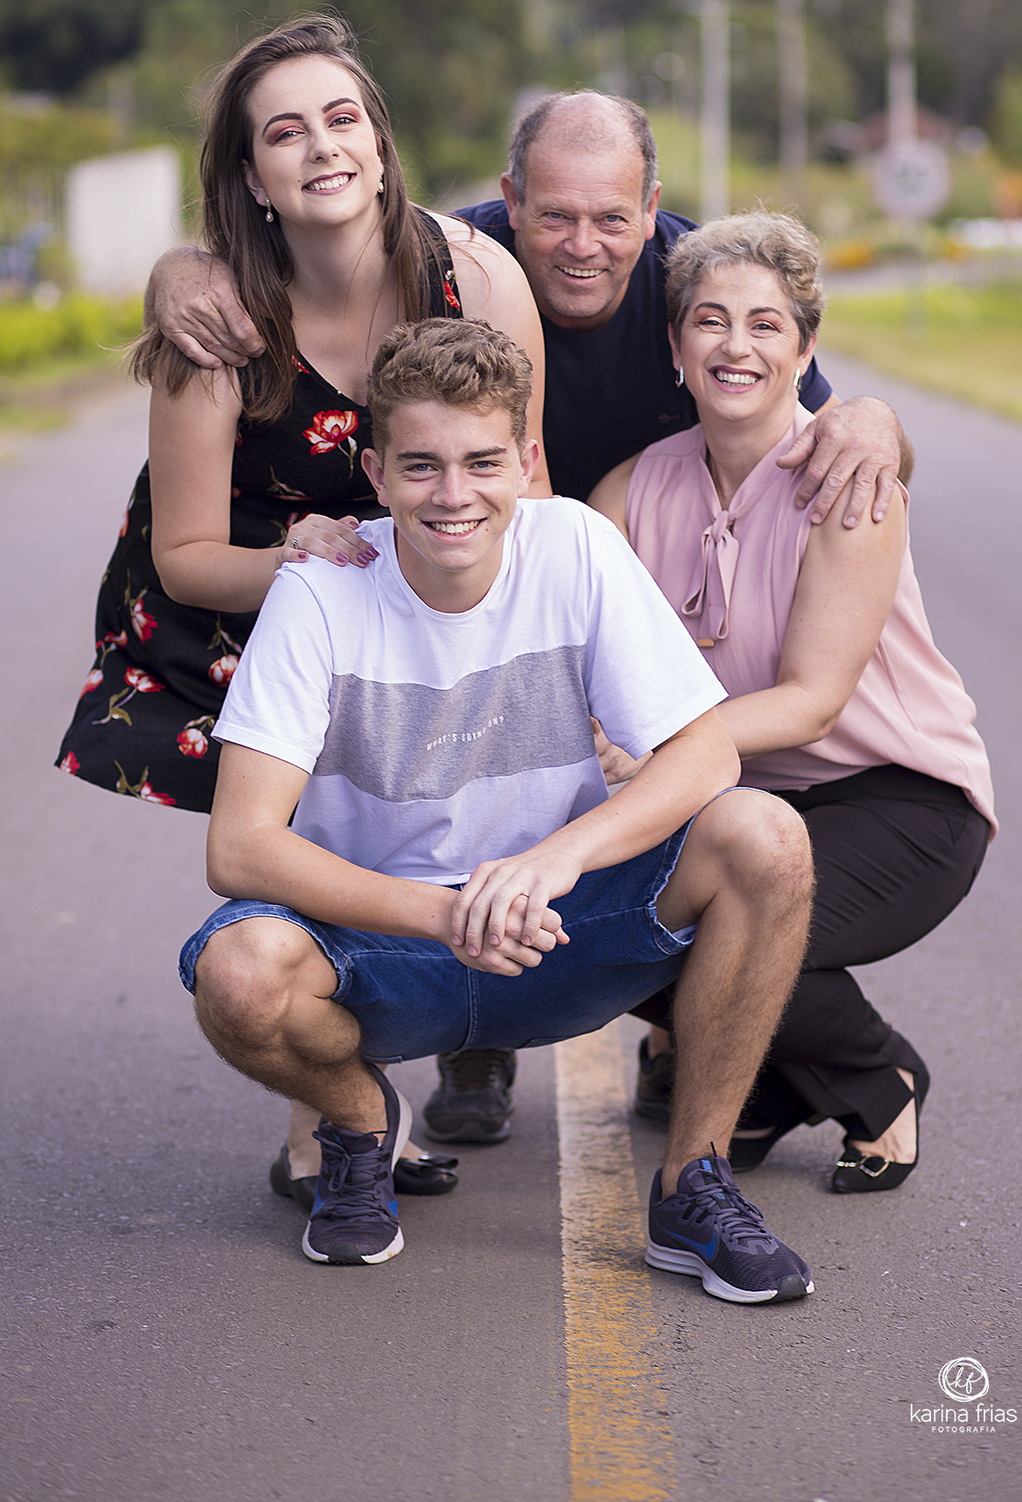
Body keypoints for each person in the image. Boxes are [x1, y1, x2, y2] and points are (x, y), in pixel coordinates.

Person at [144, 88, 914, 1145]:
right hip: (448, 536)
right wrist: (179, 269)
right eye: (554, 214)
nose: (582, 240)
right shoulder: (464, 266)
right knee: (415, 788)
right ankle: (365, 1105)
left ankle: (703, 1085)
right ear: (511, 204)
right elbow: (305, 245)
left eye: (611, 217)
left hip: (569, 543)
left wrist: (877, 415)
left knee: (657, 827)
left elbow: (805, 408)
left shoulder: (696, 285)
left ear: (652, 214)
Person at [181, 315, 816, 1305]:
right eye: (422, 466)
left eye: (483, 462)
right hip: (385, 951)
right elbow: (242, 847)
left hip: (554, 929)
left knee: (765, 839)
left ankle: (694, 1181)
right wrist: (445, 914)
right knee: (238, 970)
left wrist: (553, 861)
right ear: (375, 471)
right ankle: (356, 1124)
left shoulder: (575, 546)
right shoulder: (318, 590)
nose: (454, 494)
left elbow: (705, 754)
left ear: (525, 462)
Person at [56, 12, 549, 1198]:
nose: (322, 147)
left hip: (440, 580)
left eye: (342, 119)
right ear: (252, 178)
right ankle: (330, 1122)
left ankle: (457, 1039)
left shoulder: (475, 277)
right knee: (307, 848)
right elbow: (182, 556)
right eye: (286, 133)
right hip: (261, 605)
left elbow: (529, 476)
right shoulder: (212, 325)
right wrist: (295, 560)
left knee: (443, 818)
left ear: (379, 143)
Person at [587, 212, 996, 1192]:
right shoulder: (630, 490)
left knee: (714, 934)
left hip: (898, 798)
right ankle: (775, 1083)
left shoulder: (851, 478)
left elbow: (812, 703)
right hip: (740, 802)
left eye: (767, 325)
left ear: (806, 349)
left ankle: (878, 1075)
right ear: (677, 344)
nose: (736, 346)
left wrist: (647, 749)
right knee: (600, 934)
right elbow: (575, 653)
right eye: (711, 321)